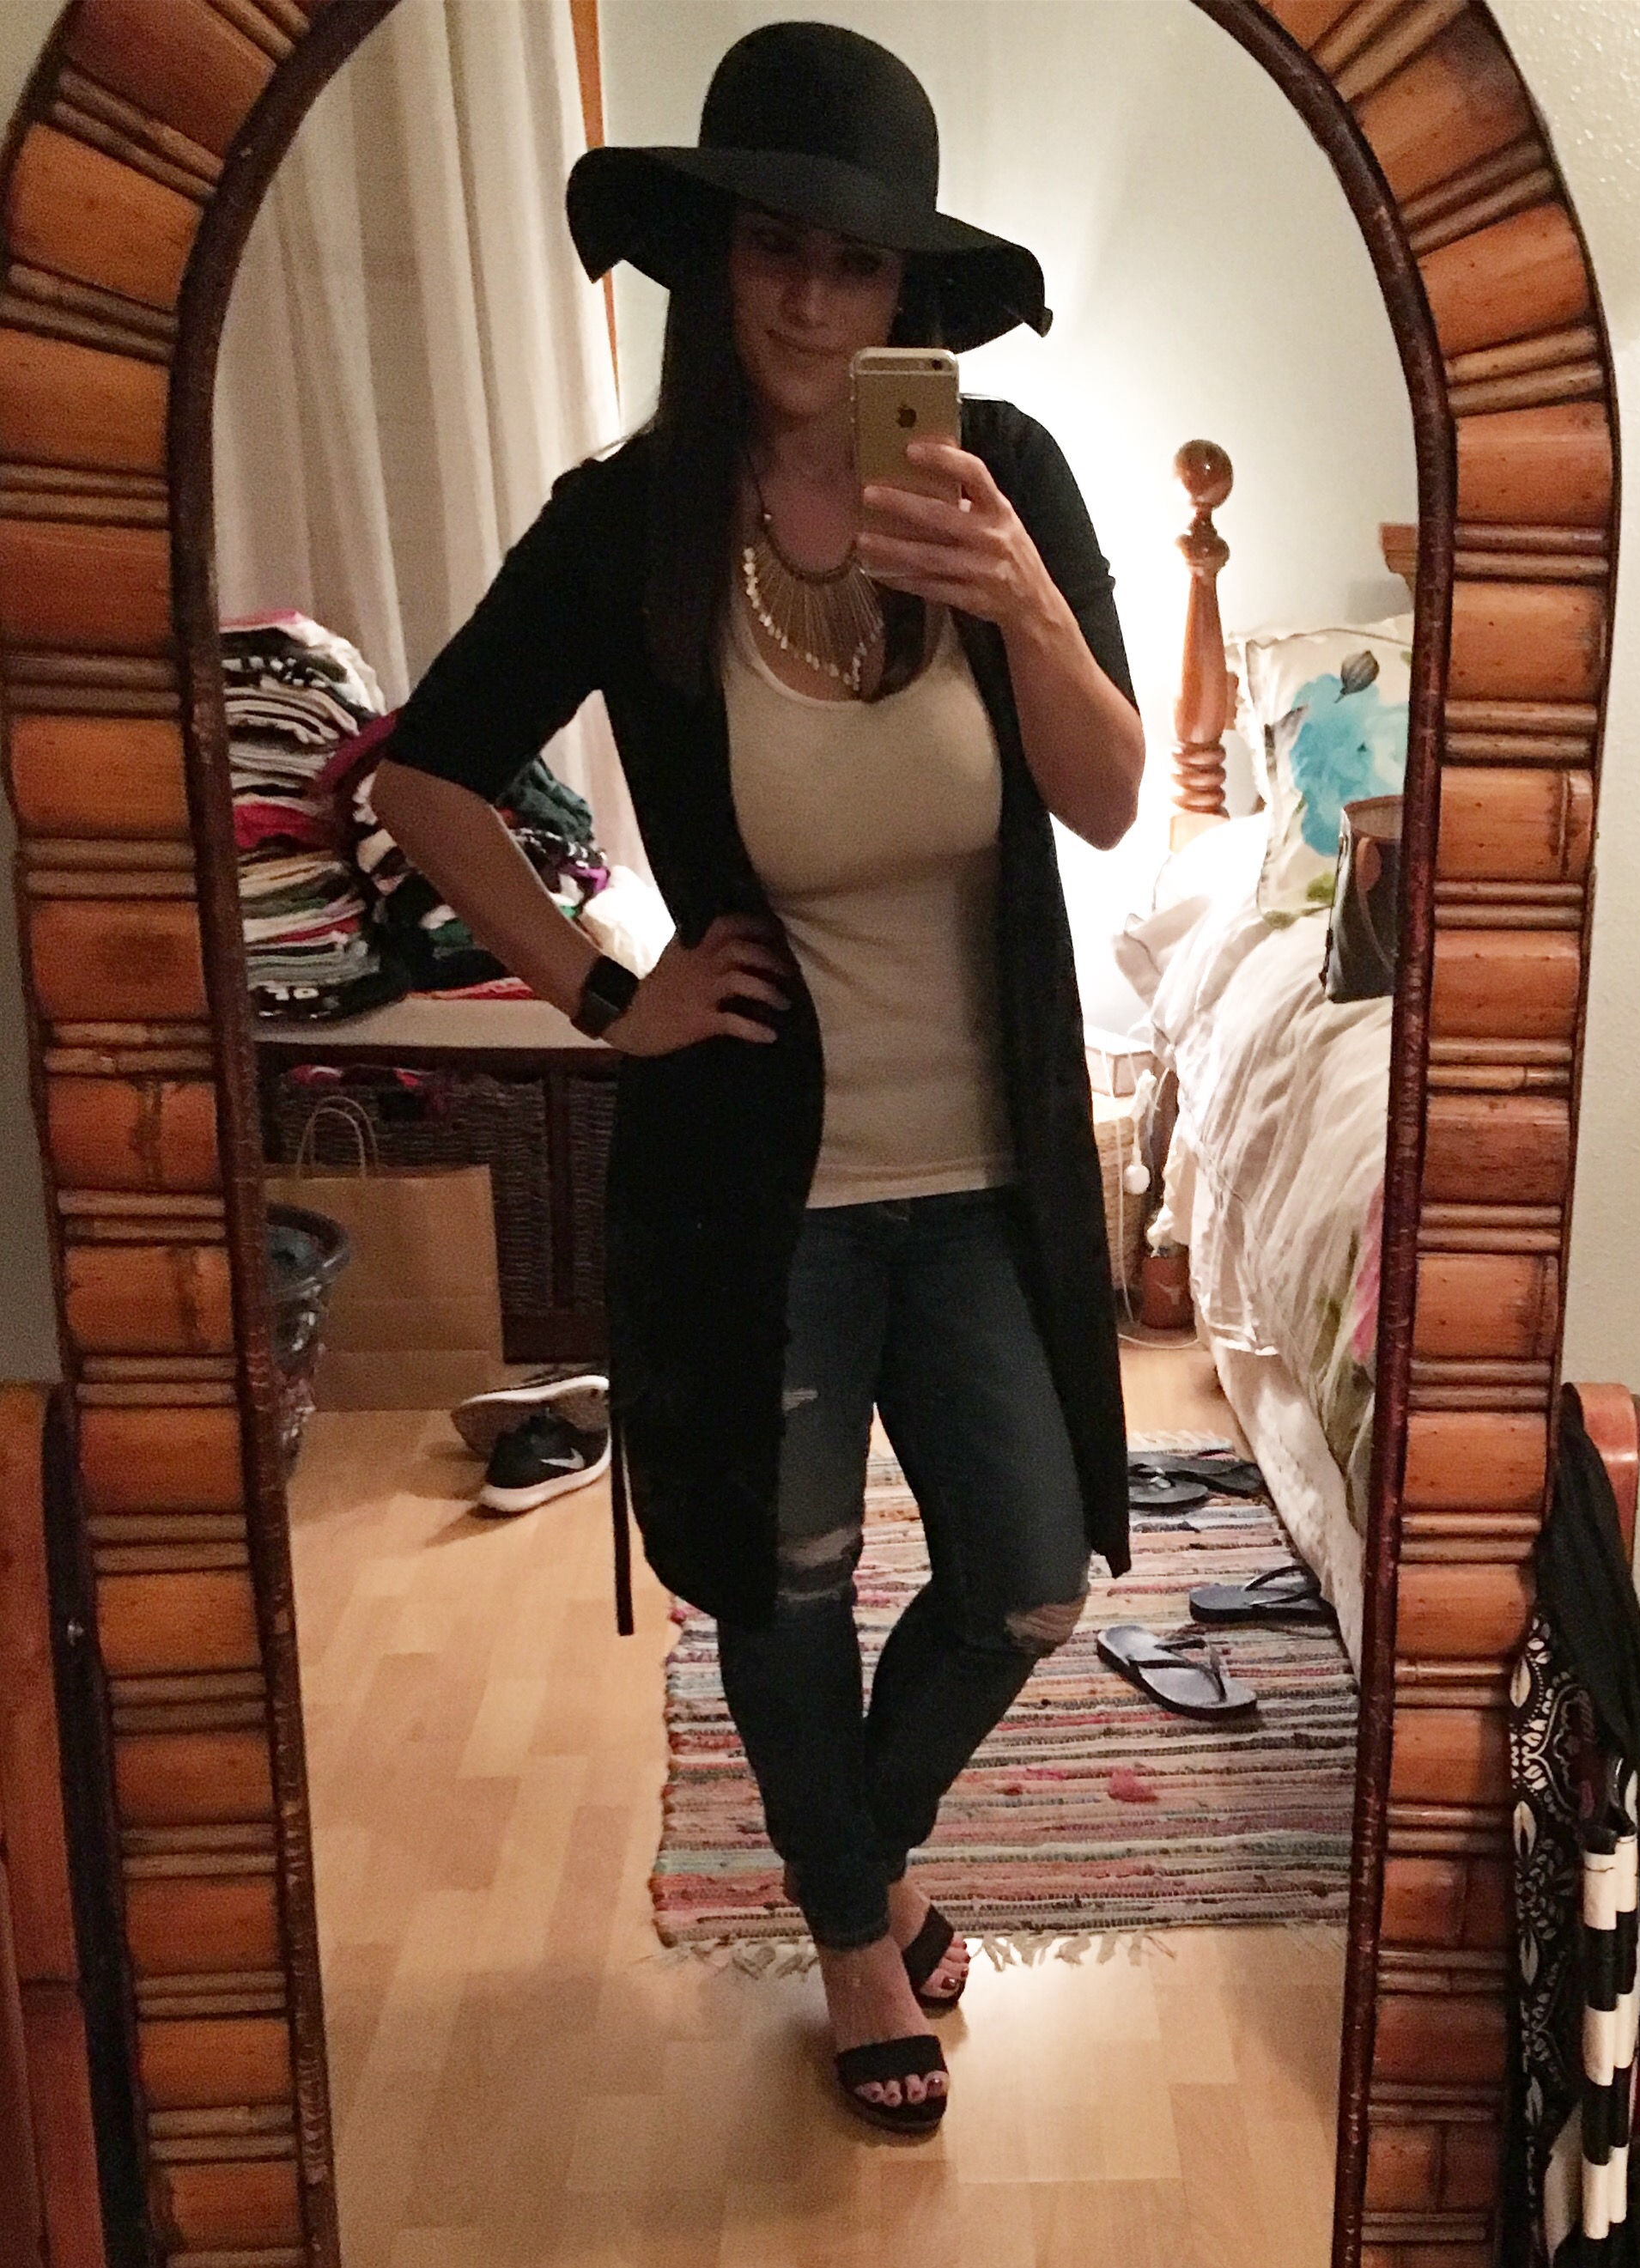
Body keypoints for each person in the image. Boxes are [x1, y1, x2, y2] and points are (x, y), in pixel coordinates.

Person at [365, 22, 1145, 2137]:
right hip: (757, 1168)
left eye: (855, 260)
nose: (810, 297)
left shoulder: (1003, 479)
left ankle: (857, 1870)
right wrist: (601, 991)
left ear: (907, 291)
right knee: (786, 1575)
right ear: (715, 264)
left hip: (983, 1169)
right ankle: (853, 1945)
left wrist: (1019, 603)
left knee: (1029, 1571)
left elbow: (1103, 799)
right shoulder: (632, 525)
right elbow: (425, 777)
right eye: (774, 249)